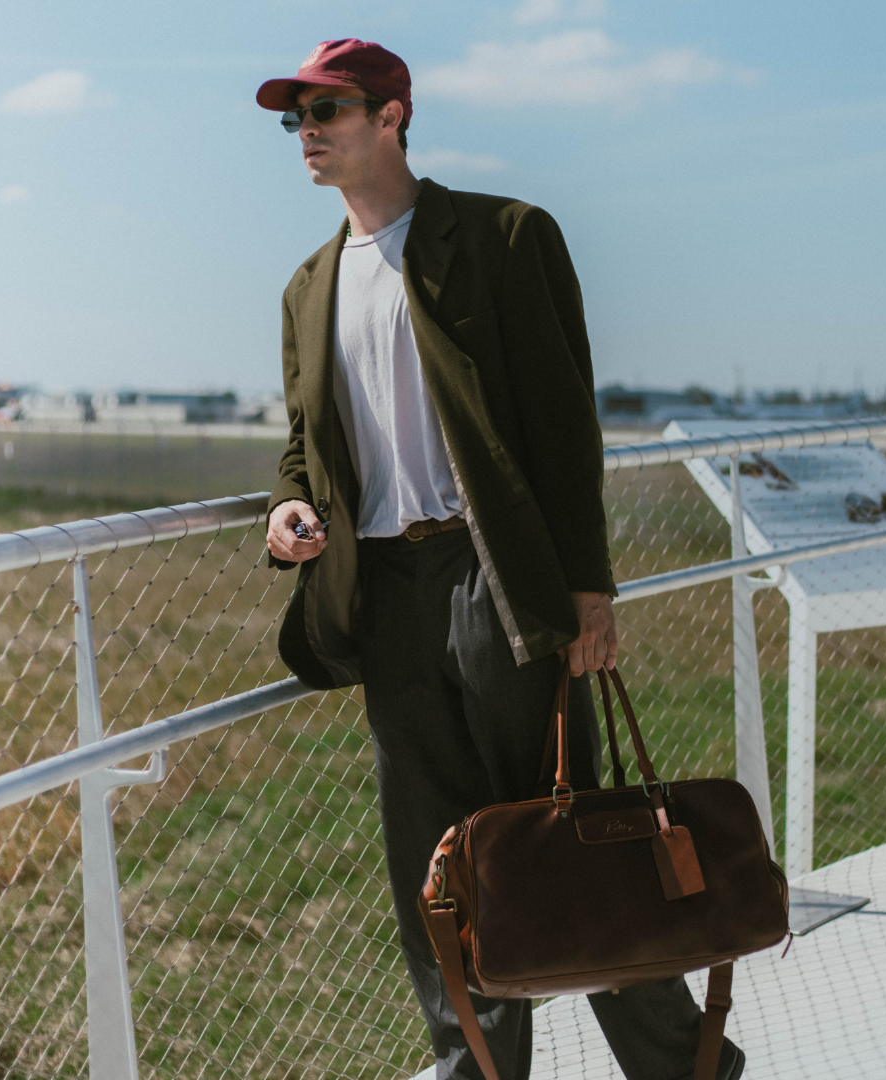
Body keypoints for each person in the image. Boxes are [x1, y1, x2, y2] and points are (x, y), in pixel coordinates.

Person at [256, 38, 744, 1080]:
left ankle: (687, 1069)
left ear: (392, 115)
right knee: (435, 869)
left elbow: (564, 427)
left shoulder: (506, 236)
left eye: (326, 110)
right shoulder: (307, 289)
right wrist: (290, 503)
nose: (305, 131)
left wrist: (589, 590)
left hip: (497, 582)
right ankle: (473, 1067)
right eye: (295, 116)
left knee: (575, 835)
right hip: (385, 597)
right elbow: (306, 442)